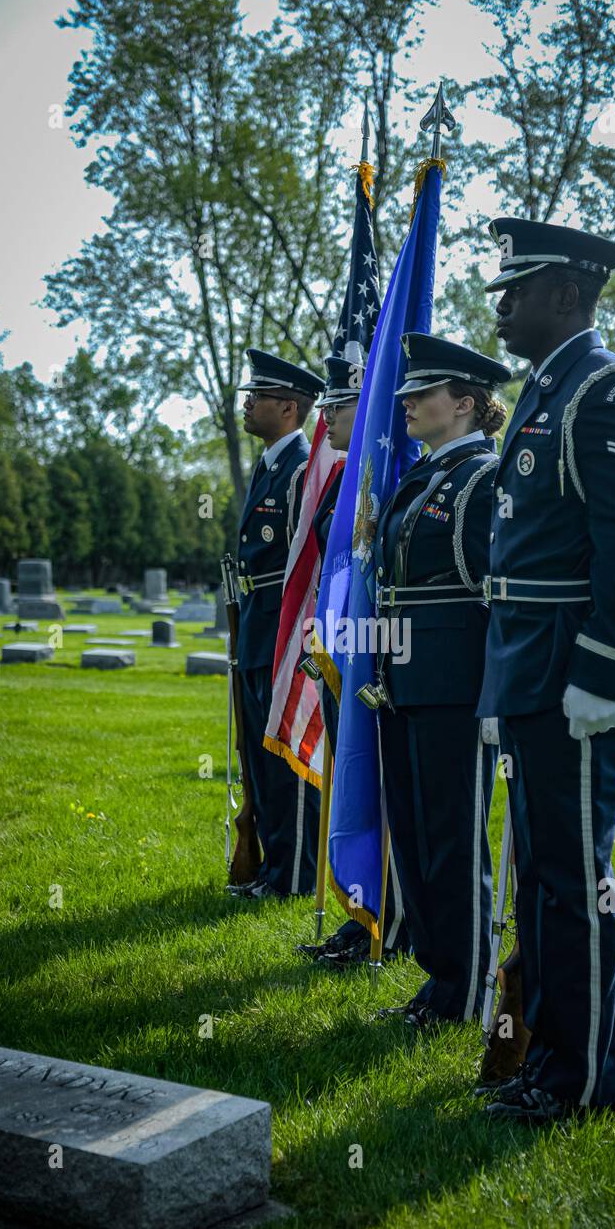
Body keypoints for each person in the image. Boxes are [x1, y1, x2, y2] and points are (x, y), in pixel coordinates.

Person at [476, 218, 615, 1121]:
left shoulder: (605, 388)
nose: (501, 305)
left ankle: (582, 1082)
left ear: (565, 294)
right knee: (544, 878)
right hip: (528, 668)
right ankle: (549, 1059)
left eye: (515, 290)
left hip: (572, 674)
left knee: (572, 879)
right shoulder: (546, 391)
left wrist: (605, 668)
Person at [366, 333, 512, 1029]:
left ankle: (467, 988)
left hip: (457, 683)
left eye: (420, 394)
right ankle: (438, 979)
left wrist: (495, 691)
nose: (406, 405)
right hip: (403, 677)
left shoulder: (484, 479)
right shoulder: (421, 477)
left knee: (453, 838)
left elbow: (499, 594)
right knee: (418, 835)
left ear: (463, 404)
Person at [295, 355, 410, 967]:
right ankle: (361, 912)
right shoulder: (342, 476)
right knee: (352, 784)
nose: (325, 418)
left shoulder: (376, 471)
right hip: (342, 644)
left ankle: (388, 920)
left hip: (373, 651)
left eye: (335, 407)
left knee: (378, 786)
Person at [228, 349, 324, 901]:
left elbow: (302, 565)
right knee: (259, 754)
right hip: (255, 625)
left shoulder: (300, 472)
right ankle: (271, 867)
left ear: (289, 408)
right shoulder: (270, 465)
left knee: (285, 753)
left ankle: (292, 876)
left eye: (258, 397)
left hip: (284, 628)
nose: (248, 404)